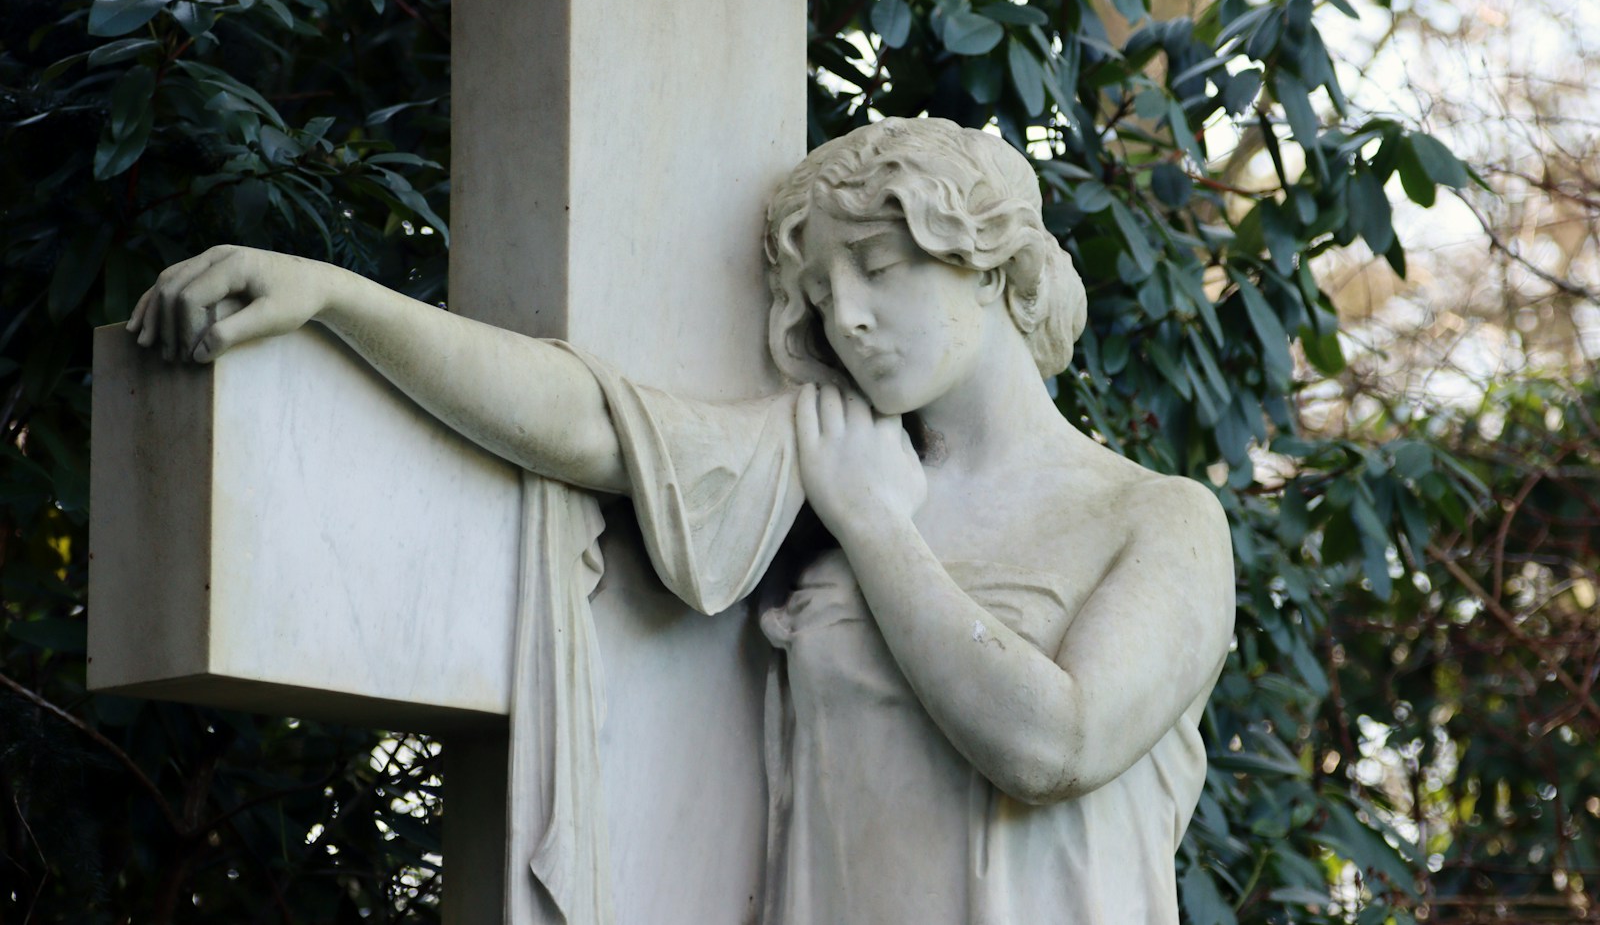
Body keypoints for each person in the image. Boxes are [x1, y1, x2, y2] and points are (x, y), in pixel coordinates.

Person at [128, 116, 1234, 924]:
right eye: (818, 288)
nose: (843, 313)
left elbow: (1054, 742)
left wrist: (882, 531)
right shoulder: (825, 458)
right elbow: (591, 424)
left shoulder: (1154, 520)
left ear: (990, 266)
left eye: (879, 266)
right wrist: (340, 298)